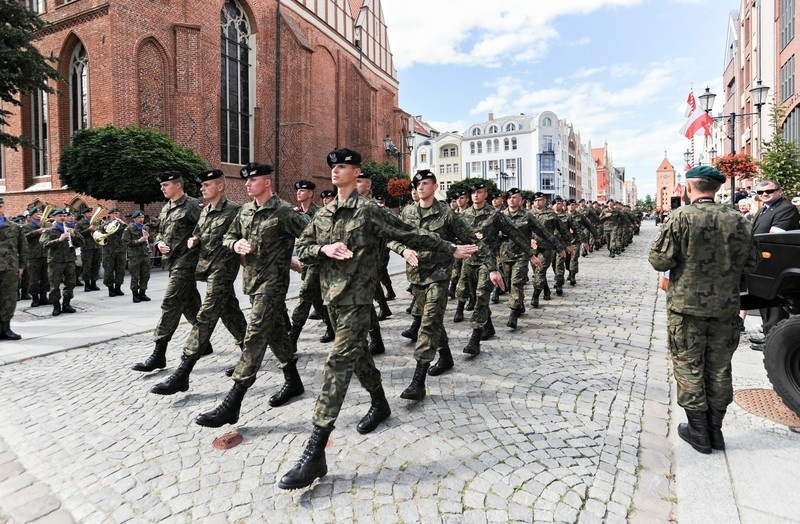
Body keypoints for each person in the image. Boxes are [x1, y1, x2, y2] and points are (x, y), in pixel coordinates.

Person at [278, 148, 476, 491]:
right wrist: (323, 250)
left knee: (338, 362)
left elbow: (408, 233)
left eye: (343, 167)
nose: (336, 171)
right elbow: (304, 250)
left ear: (357, 174)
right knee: (356, 356)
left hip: (358, 301)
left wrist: (449, 249)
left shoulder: (369, 210)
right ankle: (380, 403)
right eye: (334, 167)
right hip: (332, 301)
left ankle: (315, 449)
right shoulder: (324, 216)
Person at [649, 165, 759, 454]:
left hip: (687, 310)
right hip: (725, 309)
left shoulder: (681, 217)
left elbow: (660, 261)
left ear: (689, 188)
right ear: (717, 189)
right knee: (720, 368)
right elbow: (753, 263)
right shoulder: (740, 220)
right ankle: (715, 430)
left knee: (688, 367)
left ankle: (698, 431)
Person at [193, 163, 310, 427]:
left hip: (273, 285)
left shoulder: (284, 211)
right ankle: (293, 382)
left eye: (252, 180)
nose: (246, 184)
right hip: (252, 284)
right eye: (246, 181)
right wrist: (235, 243)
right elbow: (228, 236)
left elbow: (312, 233)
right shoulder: (245, 210)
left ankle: (232, 403)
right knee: (276, 332)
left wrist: (303, 259)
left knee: (254, 336)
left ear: (267, 182)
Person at [388, 169, 490, 394]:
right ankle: (445, 358)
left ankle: (418, 381)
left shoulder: (447, 214)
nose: (420, 188)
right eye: (417, 185)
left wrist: (492, 268)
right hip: (416, 277)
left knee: (428, 323)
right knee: (432, 320)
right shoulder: (407, 212)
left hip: (440, 276)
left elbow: (472, 241)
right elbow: (392, 238)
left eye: (425, 183)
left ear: (435, 186)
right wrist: (403, 250)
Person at [150, 168, 248, 396]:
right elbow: (198, 232)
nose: (201, 189)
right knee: (228, 309)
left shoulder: (234, 210)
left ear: (220, 187)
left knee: (206, 316)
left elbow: (244, 235)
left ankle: (182, 373)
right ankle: (250, 350)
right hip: (205, 267)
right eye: (201, 186)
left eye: (206, 185)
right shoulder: (205, 211)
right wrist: (195, 238)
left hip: (223, 270)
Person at [455, 182, 539, 355]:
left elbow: (515, 233)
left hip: (488, 263)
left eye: (479, 192)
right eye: (473, 193)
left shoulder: (495, 215)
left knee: (480, 296)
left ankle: (475, 340)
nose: (476, 196)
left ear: (485, 194)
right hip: (469, 262)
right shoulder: (463, 215)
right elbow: (452, 237)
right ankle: (489, 326)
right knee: (476, 296)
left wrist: (530, 253)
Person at [132, 172, 203, 372]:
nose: (162, 189)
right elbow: (161, 233)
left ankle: (158, 354)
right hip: (172, 263)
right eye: (161, 186)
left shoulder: (192, 205)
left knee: (170, 303)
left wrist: (195, 240)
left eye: (165, 185)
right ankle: (203, 342)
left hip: (186, 263)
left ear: (178, 186)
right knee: (191, 305)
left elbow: (205, 229)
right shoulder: (167, 208)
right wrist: (160, 242)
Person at [747, 180, 800, 351]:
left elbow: (775, 234)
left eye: (769, 191)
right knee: (764, 301)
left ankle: (776, 340)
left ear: (779, 191)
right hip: (761, 259)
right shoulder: (764, 210)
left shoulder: (785, 208)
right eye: (760, 192)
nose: (764, 195)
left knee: (775, 304)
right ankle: (768, 335)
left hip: (776, 260)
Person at [499, 188, 559, 328]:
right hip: (505, 255)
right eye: (509, 198)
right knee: (509, 284)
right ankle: (519, 304)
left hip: (522, 254)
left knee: (516, 282)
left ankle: (513, 315)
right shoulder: (500, 216)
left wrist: (559, 246)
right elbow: (493, 234)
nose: (512, 200)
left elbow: (543, 232)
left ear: (520, 200)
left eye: (515, 197)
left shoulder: (527, 216)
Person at [289, 179, 335, 345]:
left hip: (317, 260)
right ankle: (331, 326)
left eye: (303, 190)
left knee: (305, 295)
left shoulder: (320, 213)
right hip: (305, 261)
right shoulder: (295, 213)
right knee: (316, 298)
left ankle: (293, 335)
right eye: (298, 190)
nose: (299, 193)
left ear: (310, 193)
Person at [40, 208, 84, 316]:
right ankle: (56, 306)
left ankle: (66, 304)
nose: (62, 217)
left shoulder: (70, 228)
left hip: (69, 260)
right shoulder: (49, 230)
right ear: (54, 217)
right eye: (59, 215)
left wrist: (74, 236)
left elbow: (81, 242)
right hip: (55, 261)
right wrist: (58, 240)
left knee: (70, 283)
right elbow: (44, 244)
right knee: (54, 285)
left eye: (64, 215)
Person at [0, 197, 28, 340]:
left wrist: (22, 266)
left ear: (2, 207)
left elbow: (23, 248)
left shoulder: (14, 227)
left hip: (9, 268)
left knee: (10, 298)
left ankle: (6, 328)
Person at [22, 206, 50, 308]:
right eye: (37, 213)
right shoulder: (27, 226)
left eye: (41, 212)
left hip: (45, 254)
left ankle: (44, 297)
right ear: (31, 215)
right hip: (33, 255)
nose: (39, 214)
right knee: (34, 278)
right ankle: (35, 298)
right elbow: (24, 238)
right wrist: (36, 232)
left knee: (45, 277)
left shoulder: (46, 225)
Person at [121, 210, 152, 302]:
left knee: (145, 275)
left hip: (145, 254)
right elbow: (125, 242)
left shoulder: (146, 228)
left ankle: (143, 293)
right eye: (139, 217)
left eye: (142, 217)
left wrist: (148, 238)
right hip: (134, 256)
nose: (141, 219)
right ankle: (135, 294)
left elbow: (148, 241)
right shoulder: (129, 229)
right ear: (134, 219)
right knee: (135, 276)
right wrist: (138, 241)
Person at [74, 207, 102, 292]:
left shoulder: (96, 222)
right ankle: (87, 284)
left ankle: (94, 283)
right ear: (84, 214)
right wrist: (88, 230)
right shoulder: (80, 223)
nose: (90, 214)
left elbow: (101, 232)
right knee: (87, 266)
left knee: (96, 266)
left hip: (97, 246)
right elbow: (77, 235)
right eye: (88, 213)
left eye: (91, 213)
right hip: (86, 247)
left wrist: (98, 230)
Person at [100, 208, 127, 297]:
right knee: (109, 270)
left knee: (120, 270)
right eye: (115, 214)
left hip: (120, 250)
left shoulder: (121, 224)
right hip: (109, 251)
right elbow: (100, 232)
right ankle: (110, 288)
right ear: (110, 215)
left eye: (118, 213)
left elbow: (128, 230)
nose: (116, 215)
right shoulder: (105, 224)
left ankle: (118, 288)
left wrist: (122, 222)